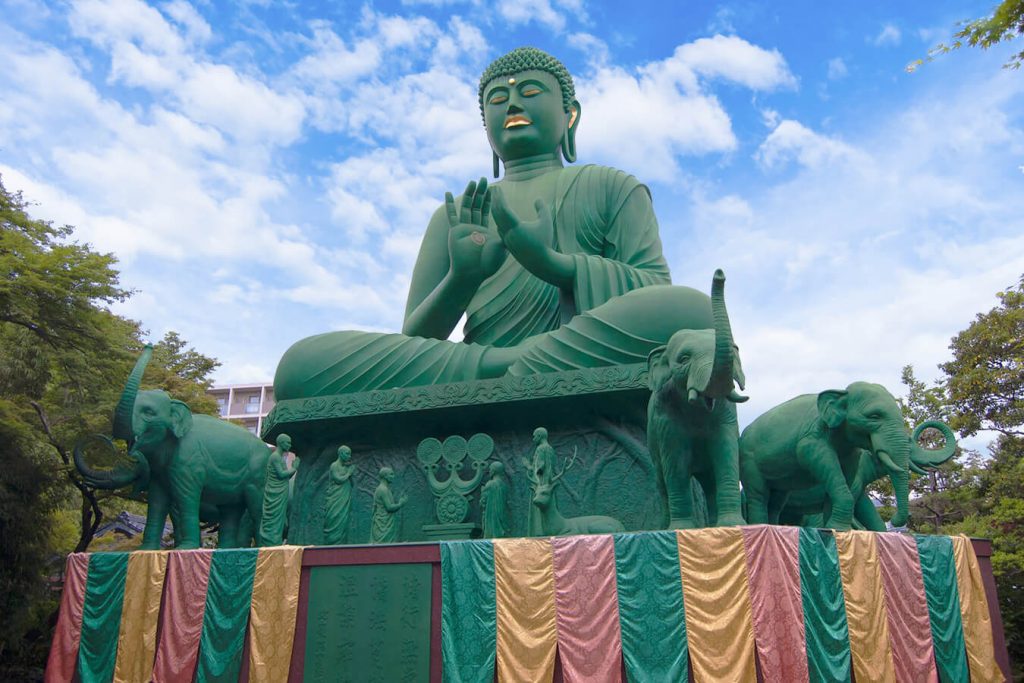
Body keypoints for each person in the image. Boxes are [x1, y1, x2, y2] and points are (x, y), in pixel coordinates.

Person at [274, 47, 716, 400]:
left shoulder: (612, 186)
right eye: (498, 100)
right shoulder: (459, 213)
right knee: (298, 366)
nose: (514, 104)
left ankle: (512, 366)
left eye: (530, 91)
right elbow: (415, 338)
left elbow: (655, 289)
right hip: (478, 365)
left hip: (581, 347)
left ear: (570, 114)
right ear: (486, 126)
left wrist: (554, 265)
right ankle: (508, 365)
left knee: (694, 313)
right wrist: (462, 278)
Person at [258, 433, 297, 546]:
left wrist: (293, 470)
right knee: (272, 520)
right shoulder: (275, 456)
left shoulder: (281, 458)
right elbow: (281, 474)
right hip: (274, 493)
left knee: (279, 520)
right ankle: (270, 543)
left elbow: (286, 476)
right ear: (280, 443)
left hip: (280, 492)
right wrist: (294, 468)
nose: (289, 445)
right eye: (287, 443)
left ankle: (276, 542)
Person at [323, 445, 355, 545]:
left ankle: (341, 545)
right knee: (333, 518)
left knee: (343, 521)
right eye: (347, 454)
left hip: (344, 499)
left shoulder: (346, 468)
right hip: (335, 498)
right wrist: (349, 472)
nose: (349, 456)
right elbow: (338, 479)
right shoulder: (334, 466)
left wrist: (350, 472)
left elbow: (352, 484)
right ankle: (330, 545)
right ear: (340, 454)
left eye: (350, 454)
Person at [370, 467, 407, 543]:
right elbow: (389, 507)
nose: (393, 476)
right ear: (385, 476)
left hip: (384, 522)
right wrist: (400, 503)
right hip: (383, 525)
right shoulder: (383, 490)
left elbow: (374, 508)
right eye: (391, 474)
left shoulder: (384, 489)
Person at [480, 461, 510, 538]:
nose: (489, 471)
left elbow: (483, 502)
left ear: (493, 471)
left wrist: (482, 492)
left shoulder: (490, 484)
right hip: (503, 517)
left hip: (492, 519)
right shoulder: (504, 486)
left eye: (490, 469)